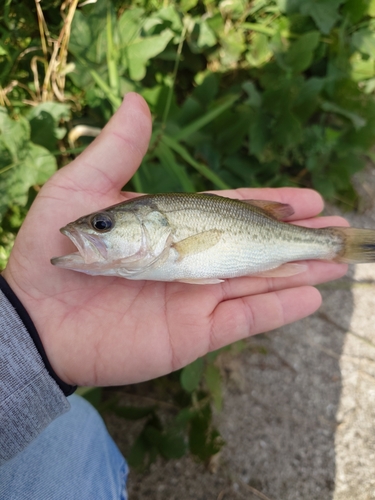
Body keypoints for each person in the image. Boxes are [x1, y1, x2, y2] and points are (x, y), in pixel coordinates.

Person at [0, 93, 348, 499]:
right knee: (81, 438)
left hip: (264, 246)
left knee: (80, 436)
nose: (93, 231)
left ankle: (335, 243)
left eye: (103, 225)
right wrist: (28, 318)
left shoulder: (166, 244)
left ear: (153, 227)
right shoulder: (141, 251)